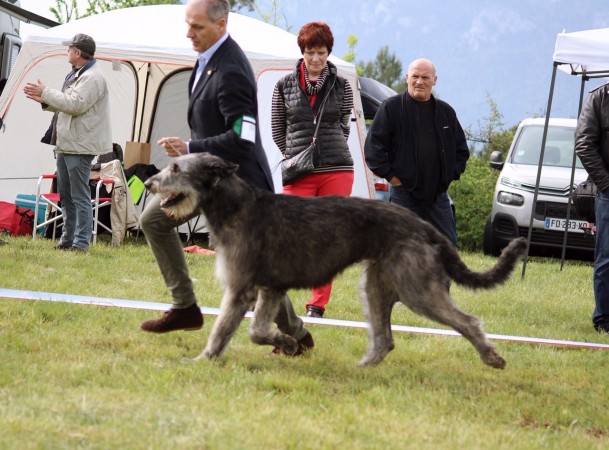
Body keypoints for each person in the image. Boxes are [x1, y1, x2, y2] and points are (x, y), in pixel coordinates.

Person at [139, 0, 314, 355]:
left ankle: (297, 334)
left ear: (221, 24)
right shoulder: (206, 61)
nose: (189, 33)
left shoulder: (232, 69)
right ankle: (185, 306)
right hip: (206, 183)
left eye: (197, 27)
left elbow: (243, 140)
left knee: (254, 268)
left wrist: (190, 145)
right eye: (187, 25)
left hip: (242, 188)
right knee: (152, 220)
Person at [271, 21, 354, 319]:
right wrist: (297, 154)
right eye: (310, 52)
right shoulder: (283, 85)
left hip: (338, 168)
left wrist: (328, 151)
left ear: (328, 52)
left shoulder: (342, 85)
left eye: (321, 52)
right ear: (302, 52)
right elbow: (278, 130)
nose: (316, 59)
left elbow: (344, 125)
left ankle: (317, 305)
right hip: (298, 170)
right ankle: (276, 296)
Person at [364, 58, 469, 246]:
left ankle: (438, 277)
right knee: (400, 246)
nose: (419, 81)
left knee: (447, 246)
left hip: (438, 196)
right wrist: (393, 178)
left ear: (434, 80)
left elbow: (461, 150)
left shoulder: (446, 112)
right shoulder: (391, 108)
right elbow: (373, 149)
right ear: (407, 78)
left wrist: (448, 177)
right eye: (415, 76)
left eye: (425, 77)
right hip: (403, 193)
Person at [23, 33, 111, 252]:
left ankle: (81, 244)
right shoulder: (79, 74)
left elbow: (75, 105)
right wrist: (45, 98)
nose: (67, 52)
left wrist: (46, 92)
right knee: (66, 196)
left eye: (69, 48)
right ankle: (67, 240)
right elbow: (69, 105)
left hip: (79, 146)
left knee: (80, 196)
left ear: (78, 52)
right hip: (69, 143)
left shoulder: (93, 78)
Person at [574, 82, 609, 334]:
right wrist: (607, 184)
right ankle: (604, 319)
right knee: (606, 258)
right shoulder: (599, 98)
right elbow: (584, 144)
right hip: (608, 192)